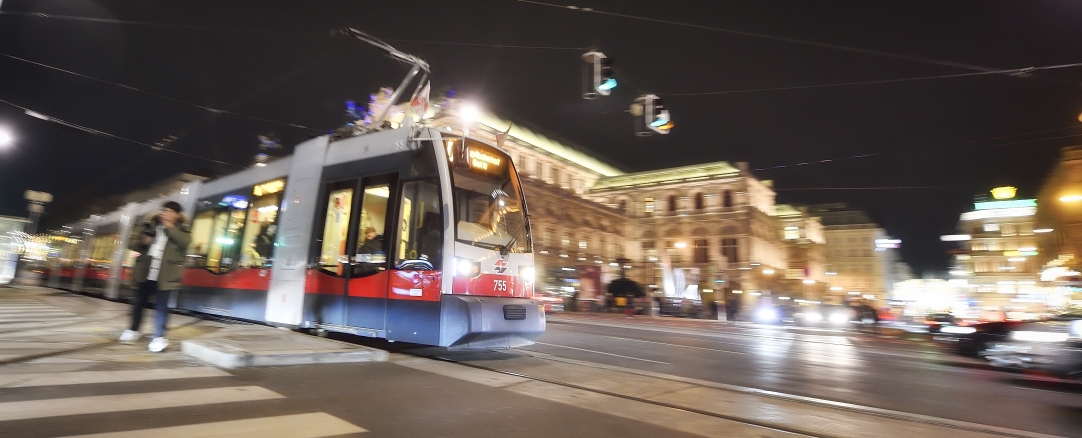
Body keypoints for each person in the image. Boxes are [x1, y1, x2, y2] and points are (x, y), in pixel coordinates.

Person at [119, 201, 191, 352]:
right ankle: (133, 330)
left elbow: (185, 243)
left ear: (177, 215)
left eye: (170, 211)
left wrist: (169, 227)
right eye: (164, 210)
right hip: (146, 271)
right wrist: (142, 241)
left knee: (161, 308)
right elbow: (132, 243)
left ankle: (159, 337)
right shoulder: (149, 225)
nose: (166, 213)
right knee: (138, 304)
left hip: (166, 274)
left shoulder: (183, 228)